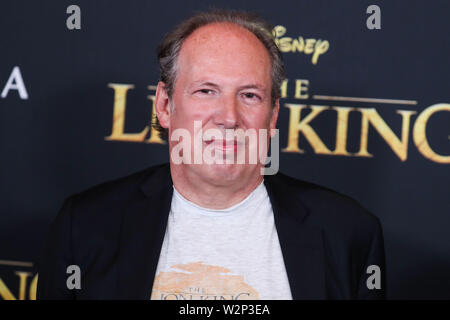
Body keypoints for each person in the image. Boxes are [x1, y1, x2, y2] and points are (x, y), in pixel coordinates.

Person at [37, 9, 386, 300]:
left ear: (273, 115)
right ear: (165, 105)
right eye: (206, 91)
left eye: (249, 95)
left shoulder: (348, 232)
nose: (229, 118)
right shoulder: (84, 227)